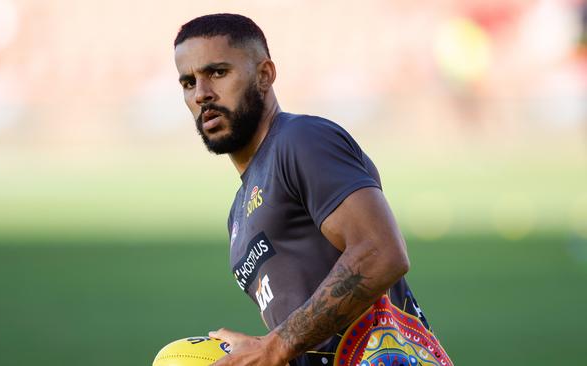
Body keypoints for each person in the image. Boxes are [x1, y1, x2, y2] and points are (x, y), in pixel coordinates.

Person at [173, 13, 453, 366]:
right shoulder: (238, 213)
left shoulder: (300, 140)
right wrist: (263, 350)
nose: (201, 94)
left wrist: (275, 347)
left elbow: (381, 252)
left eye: (217, 72)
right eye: (187, 82)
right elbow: (311, 335)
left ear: (264, 75)